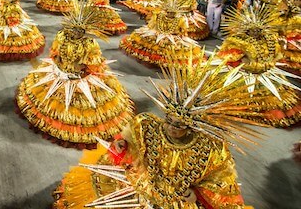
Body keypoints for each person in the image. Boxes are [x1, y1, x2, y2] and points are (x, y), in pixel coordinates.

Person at [53, 52, 262, 209]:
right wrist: (121, 144)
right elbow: (129, 140)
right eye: (169, 120)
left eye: (179, 125)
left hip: (179, 199)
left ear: (193, 127)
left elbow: (221, 179)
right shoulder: (147, 124)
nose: (171, 127)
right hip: (141, 184)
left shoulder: (210, 148)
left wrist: (198, 193)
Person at [15, 0, 134, 148]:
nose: (75, 33)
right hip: (60, 71)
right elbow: (55, 53)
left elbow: (94, 62)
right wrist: (58, 62)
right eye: (73, 29)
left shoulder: (89, 44)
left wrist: (83, 67)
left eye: (79, 31)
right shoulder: (61, 37)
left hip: (80, 76)